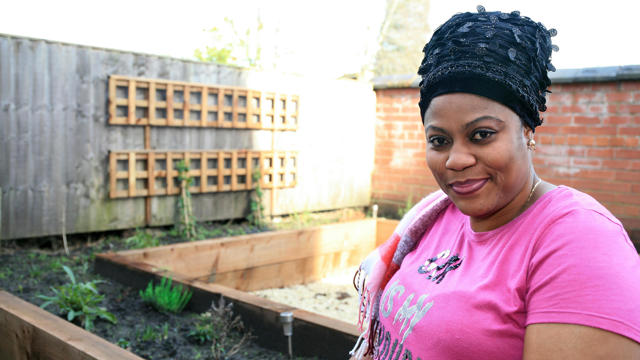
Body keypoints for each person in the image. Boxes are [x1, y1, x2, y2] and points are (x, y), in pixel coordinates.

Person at [350, 6, 640, 360]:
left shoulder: (578, 240)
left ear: (527, 131)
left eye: (481, 134)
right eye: (439, 140)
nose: (456, 160)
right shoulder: (438, 215)